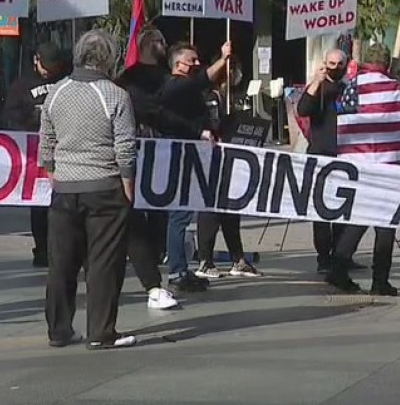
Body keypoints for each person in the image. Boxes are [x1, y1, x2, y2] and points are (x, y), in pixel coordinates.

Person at [41, 30, 139, 350]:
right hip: (105, 186)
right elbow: (125, 147)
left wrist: (56, 175)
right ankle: (101, 332)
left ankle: (59, 330)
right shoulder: (115, 95)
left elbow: (46, 144)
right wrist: (128, 187)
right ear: (110, 58)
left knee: (61, 263)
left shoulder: (55, 93)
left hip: (65, 188)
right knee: (104, 263)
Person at [314, 44, 400, 296]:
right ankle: (380, 279)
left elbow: (342, 118)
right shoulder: (395, 89)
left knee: (359, 219)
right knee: (385, 226)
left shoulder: (351, 86)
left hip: (357, 165)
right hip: (385, 167)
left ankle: (338, 268)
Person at [159, 42, 260, 283]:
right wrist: (223, 57)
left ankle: (182, 269)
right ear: (178, 64)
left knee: (185, 213)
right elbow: (202, 80)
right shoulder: (176, 86)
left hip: (194, 156)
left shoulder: (186, 89)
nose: (196, 64)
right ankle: (178, 271)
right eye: (192, 60)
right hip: (183, 157)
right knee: (180, 216)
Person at [116, 27, 190, 310]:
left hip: (165, 155)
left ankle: (155, 259)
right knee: (134, 220)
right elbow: (147, 109)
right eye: (157, 41)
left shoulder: (167, 78)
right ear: (144, 44)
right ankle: (150, 281)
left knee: (161, 214)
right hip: (137, 154)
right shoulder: (128, 80)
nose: (163, 45)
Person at [0, 42, 71, 267]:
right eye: (45, 66)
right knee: (40, 204)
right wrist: (32, 119)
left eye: (53, 66)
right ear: (36, 60)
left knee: (63, 204)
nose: (49, 71)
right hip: (33, 152)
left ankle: (63, 250)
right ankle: (42, 250)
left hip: (63, 152)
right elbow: (9, 114)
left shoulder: (66, 81)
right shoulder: (22, 85)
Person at [296, 48, 351, 275]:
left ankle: (341, 255)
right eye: (331, 63)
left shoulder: (348, 89)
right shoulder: (318, 88)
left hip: (345, 155)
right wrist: (316, 82)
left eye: (339, 64)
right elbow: (303, 109)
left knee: (344, 210)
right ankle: (323, 257)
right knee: (322, 212)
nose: (335, 67)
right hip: (321, 154)